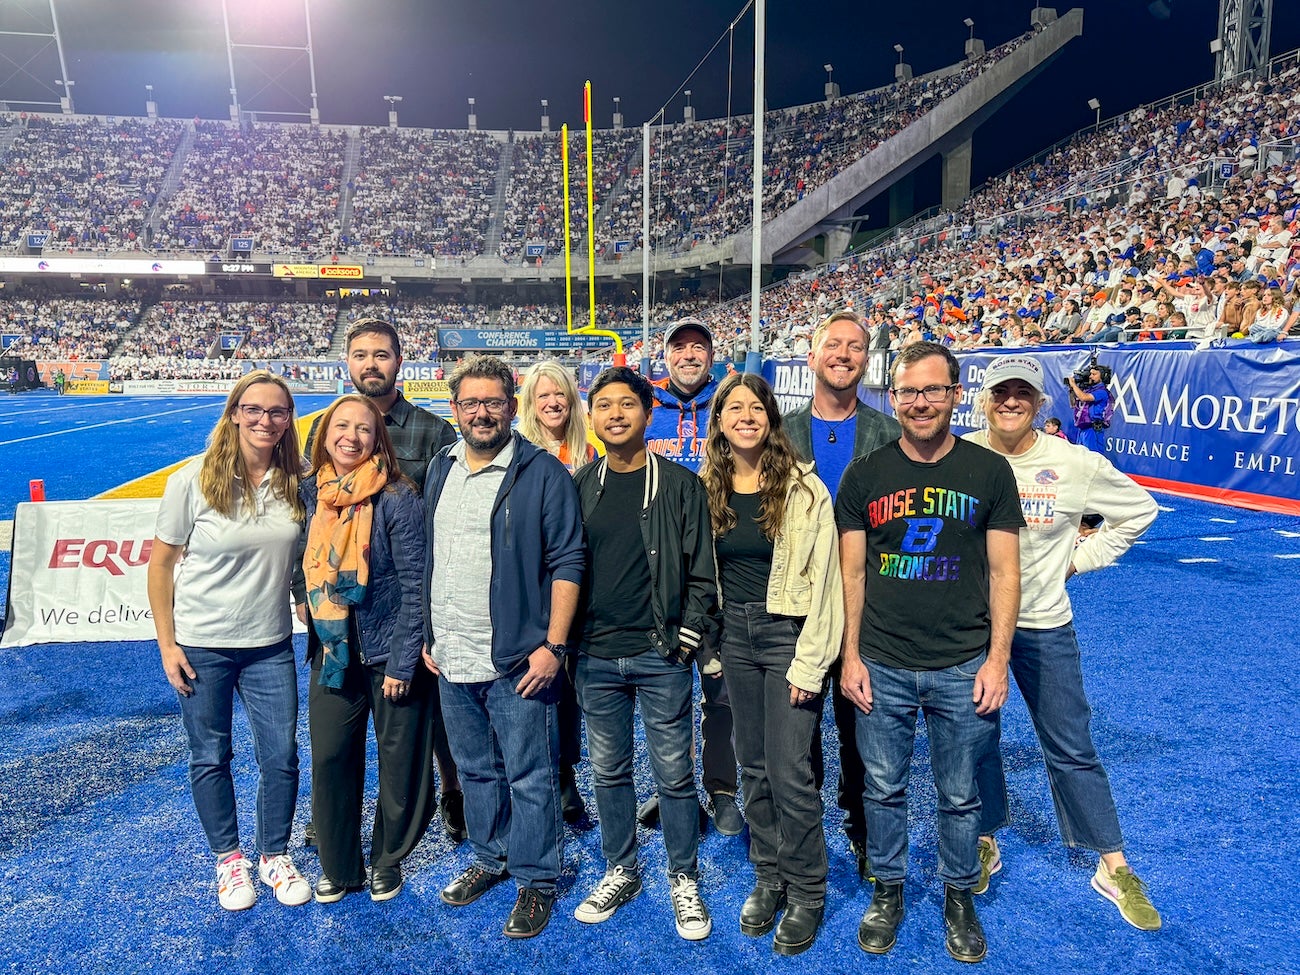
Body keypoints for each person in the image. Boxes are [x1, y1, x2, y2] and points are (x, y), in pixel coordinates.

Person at [835, 342, 1024, 963]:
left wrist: (998, 659)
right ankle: (888, 888)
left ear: (955, 395)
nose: (920, 403)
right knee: (883, 788)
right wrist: (851, 655)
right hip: (883, 659)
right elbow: (852, 576)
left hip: (963, 660)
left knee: (960, 792)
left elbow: (1003, 573)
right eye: (909, 392)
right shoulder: (866, 475)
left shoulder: (990, 471)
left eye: (934, 391)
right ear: (894, 397)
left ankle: (958, 894)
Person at [965, 354, 1162, 931]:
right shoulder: (961, 455)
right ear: (984, 398)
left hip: (1044, 621)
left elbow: (1139, 512)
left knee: (1071, 743)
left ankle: (1113, 863)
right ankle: (983, 837)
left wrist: (1078, 561)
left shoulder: (1074, 463)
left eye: (1022, 393)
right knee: (976, 739)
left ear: (1040, 401)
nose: (1010, 402)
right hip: (973, 627)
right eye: (1001, 392)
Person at [422, 354, 585, 940]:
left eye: (493, 402)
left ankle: (539, 877)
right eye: (471, 403)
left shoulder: (542, 473)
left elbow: (568, 561)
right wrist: (429, 634)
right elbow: (432, 558)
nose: (482, 412)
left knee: (530, 774)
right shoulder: (440, 468)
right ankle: (491, 857)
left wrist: (554, 646)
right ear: (455, 409)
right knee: (474, 770)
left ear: (511, 407)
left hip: (519, 657)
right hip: (451, 652)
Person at [147, 370, 310, 911]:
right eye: (255, 410)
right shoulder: (191, 480)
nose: (266, 420)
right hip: (202, 644)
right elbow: (161, 564)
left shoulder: (297, 480)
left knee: (281, 754)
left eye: (278, 412)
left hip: (270, 643)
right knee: (210, 754)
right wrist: (168, 646)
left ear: (288, 420)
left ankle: (273, 855)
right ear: (235, 413)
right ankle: (229, 860)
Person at [569, 366, 718, 941]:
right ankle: (621, 868)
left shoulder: (681, 487)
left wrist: (687, 635)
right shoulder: (579, 485)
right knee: (608, 770)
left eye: (626, 404)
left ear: (647, 412)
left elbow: (704, 573)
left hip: (660, 655)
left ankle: (683, 876)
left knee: (675, 774)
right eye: (603, 405)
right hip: (596, 657)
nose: (615, 414)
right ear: (593, 416)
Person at [303, 317, 465, 844]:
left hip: (407, 601)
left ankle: (452, 791)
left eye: (381, 354)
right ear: (347, 363)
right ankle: (335, 817)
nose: (370, 364)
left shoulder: (433, 431)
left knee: (428, 716)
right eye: (360, 355)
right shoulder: (322, 429)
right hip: (342, 609)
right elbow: (310, 515)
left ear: (400, 361)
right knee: (340, 727)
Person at [702, 373, 843, 956]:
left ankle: (808, 889)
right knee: (752, 766)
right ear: (719, 421)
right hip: (734, 634)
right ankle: (769, 873)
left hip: (788, 632)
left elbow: (830, 585)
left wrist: (812, 661)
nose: (745, 416)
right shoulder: (706, 485)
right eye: (733, 407)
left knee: (791, 770)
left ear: (771, 417)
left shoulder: (806, 491)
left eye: (755, 407)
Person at [298, 394, 431, 904]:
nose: (352, 437)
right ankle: (339, 863)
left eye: (365, 429)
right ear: (326, 432)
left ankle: (386, 859)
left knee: (400, 764)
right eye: (342, 426)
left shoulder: (398, 497)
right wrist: (302, 599)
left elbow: (417, 583)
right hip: (332, 652)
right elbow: (300, 560)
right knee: (331, 757)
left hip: (387, 654)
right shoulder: (310, 492)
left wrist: (403, 659)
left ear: (379, 440)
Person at [783, 309, 899, 881]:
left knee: (863, 729)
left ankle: (860, 829)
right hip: (797, 608)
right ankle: (801, 838)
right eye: (833, 344)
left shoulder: (889, 435)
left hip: (867, 603)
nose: (845, 354)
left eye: (856, 346)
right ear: (812, 356)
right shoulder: (781, 430)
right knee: (796, 729)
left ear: (866, 359)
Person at [642, 317, 741, 836]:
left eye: (697, 347)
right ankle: (672, 788)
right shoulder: (646, 404)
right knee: (666, 688)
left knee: (719, 689)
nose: (688, 355)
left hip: (720, 568)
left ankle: (723, 788)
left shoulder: (730, 406)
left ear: (710, 354)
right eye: (679, 347)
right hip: (661, 572)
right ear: (666, 355)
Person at [517, 359, 596, 824]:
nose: (552, 403)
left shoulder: (590, 451)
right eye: (542, 395)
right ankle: (533, 779)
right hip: (532, 589)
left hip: (581, 587)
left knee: (569, 690)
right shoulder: (517, 451)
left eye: (560, 395)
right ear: (528, 403)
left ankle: (564, 775)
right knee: (531, 686)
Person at [1067, 364, 1111, 454]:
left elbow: (1084, 398)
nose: (1090, 377)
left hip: (1093, 430)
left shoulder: (1102, 392)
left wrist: (1074, 385)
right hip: (1082, 429)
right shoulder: (1088, 390)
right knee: (1081, 458)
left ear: (1103, 377)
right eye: (1090, 374)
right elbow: (1073, 404)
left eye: (1094, 374)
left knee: (1093, 458)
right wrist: (1071, 389)